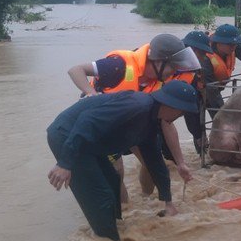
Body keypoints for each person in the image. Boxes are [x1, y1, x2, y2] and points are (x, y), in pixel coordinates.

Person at [46, 80, 197, 241]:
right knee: (101, 196)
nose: (180, 117)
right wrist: (65, 163)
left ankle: (115, 236)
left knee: (112, 183)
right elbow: (87, 121)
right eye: (182, 112)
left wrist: (168, 203)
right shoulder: (137, 105)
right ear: (171, 106)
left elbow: (155, 162)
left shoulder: (151, 122)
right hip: (67, 136)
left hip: (89, 143)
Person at [67, 34, 201, 200]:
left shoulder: (159, 82)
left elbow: (166, 122)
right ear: (158, 61)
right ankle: (123, 212)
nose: (174, 72)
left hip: (131, 124)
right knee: (116, 172)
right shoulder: (118, 65)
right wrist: (91, 94)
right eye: (172, 67)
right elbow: (75, 70)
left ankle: (145, 201)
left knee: (152, 166)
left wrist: (181, 163)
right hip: (105, 126)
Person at [202, 24, 241, 117]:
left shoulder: (234, 47)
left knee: (222, 119)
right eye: (230, 44)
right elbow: (211, 91)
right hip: (199, 92)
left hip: (215, 88)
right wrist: (223, 113)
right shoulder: (206, 58)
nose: (233, 47)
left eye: (235, 44)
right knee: (199, 127)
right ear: (218, 43)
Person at [181, 30, 214, 153]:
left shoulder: (191, 69)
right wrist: (199, 135)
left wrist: (199, 134)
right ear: (193, 51)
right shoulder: (173, 65)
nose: (204, 57)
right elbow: (190, 110)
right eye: (203, 53)